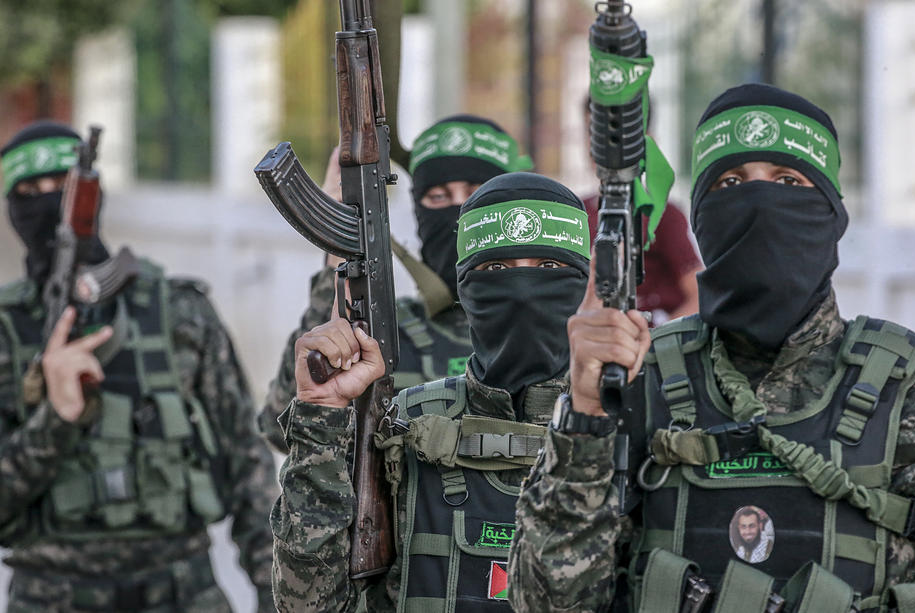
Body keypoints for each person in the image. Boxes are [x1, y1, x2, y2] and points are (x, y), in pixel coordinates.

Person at [509, 84, 915, 612]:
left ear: (831, 214)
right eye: (730, 182)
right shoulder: (640, 378)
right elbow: (547, 602)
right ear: (703, 216)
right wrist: (584, 414)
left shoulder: (904, 383)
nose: (758, 201)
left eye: (787, 181)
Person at [271, 172, 590, 611]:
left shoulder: (625, 422)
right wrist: (320, 415)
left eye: (549, 268)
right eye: (495, 268)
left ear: (585, 282)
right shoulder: (406, 422)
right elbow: (308, 604)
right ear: (465, 286)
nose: (522, 290)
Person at [0, 121, 278, 612]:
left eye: (61, 186)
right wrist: (56, 417)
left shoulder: (179, 312)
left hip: (182, 592)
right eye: (29, 190)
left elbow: (248, 469)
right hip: (51, 598)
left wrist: (277, 594)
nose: (47, 202)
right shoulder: (5, 330)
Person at [259, 115, 532, 453]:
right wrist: (340, 254)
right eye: (438, 197)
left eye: (476, 195)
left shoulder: (550, 331)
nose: (458, 214)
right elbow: (281, 425)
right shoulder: (381, 332)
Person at [582, 96, 703, 324]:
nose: (605, 147)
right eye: (595, 134)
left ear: (648, 142)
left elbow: (699, 296)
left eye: (619, 137)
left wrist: (653, 347)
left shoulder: (662, 215)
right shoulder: (574, 212)